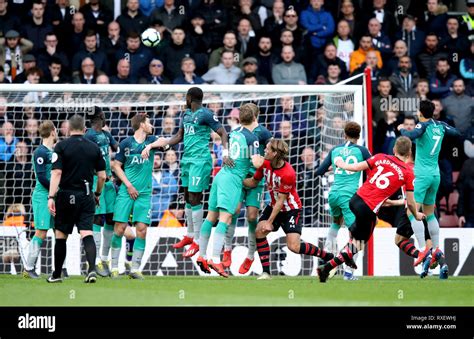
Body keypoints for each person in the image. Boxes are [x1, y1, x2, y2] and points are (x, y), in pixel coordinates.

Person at [317, 137, 425, 283]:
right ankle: (328, 268)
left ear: (394, 150)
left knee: (356, 238)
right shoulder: (407, 172)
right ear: (410, 152)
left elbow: (356, 167)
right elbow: (411, 202)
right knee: (358, 243)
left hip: (355, 200)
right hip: (368, 209)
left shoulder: (380, 157)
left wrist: (340, 163)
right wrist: (416, 214)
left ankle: (340, 261)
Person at [141, 87, 231, 259]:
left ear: (190, 97)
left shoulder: (206, 114)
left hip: (200, 160)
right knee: (187, 196)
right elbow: (179, 135)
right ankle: (190, 235)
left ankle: (197, 239)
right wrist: (165, 144)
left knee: (196, 197)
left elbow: (223, 132)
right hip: (187, 160)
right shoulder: (186, 115)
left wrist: (224, 154)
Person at [244, 139, 334, 280]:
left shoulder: (288, 173)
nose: (265, 151)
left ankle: (327, 256)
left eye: (267, 149)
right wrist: (236, 180)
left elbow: (281, 201)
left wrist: (270, 221)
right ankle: (266, 273)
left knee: (294, 246)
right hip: (274, 206)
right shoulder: (265, 164)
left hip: (290, 209)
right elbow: (253, 182)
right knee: (259, 232)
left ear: (274, 153)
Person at [196, 104, 262, 277]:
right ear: (255, 118)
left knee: (210, 217)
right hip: (232, 180)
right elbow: (256, 163)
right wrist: (268, 159)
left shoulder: (233, 133)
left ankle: (202, 255)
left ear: (239, 119)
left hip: (220, 176)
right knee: (224, 219)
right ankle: (215, 259)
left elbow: (226, 146)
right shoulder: (252, 137)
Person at [399, 100, 461, 269]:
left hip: (421, 175)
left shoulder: (423, 126)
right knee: (430, 213)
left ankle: (422, 249)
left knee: (412, 211)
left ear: (420, 112)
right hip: (435, 174)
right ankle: (436, 248)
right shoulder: (440, 125)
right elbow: (456, 133)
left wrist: (402, 129)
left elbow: (410, 136)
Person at [47, 115, 106, 283]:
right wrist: (97, 194)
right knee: (86, 232)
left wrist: (51, 196)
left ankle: (57, 275)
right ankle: (92, 270)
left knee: (61, 235)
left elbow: (56, 173)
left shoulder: (61, 146)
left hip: (66, 195)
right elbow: (102, 176)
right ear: (84, 130)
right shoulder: (94, 148)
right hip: (87, 195)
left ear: (68, 129)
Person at [314, 121, 371, 280]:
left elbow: (319, 171)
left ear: (344, 134)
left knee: (336, 223)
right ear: (359, 136)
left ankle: (326, 257)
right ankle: (348, 273)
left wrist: (333, 167)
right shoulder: (362, 151)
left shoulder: (335, 150)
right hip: (349, 196)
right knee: (358, 236)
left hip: (334, 194)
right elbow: (373, 167)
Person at [222, 103, 273, 274]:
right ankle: (227, 249)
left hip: (255, 180)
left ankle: (251, 255)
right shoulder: (236, 132)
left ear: (254, 116)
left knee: (252, 216)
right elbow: (230, 149)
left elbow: (272, 154)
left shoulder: (264, 133)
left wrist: (263, 165)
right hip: (238, 178)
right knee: (234, 210)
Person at [109, 114, 156, 280]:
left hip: (144, 194)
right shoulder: (126, 143)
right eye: (149, 122)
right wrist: (128, 185)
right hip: (126, 192)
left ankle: (135, 269)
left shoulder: (152, 140)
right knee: (120, 228)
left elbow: (167, 141)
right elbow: (116, 166)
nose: (152, 125)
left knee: (142, 230)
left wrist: (150, 147)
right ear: (142, 125)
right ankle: (114, 267)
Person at [84, 109, 119, 278]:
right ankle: (95, 260)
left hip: (109, 181)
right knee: (96, 218)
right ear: (99, 118)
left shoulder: (106, 134)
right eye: (104, 116)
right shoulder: (88, 136)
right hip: (94, 180)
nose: (106, 118)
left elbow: (117, 149)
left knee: (112, 218)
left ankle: (104, 257)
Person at [23, 121, 58, 278]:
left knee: (59, 232)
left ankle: (60, 269)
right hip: (43, 196)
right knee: (41, 231)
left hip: (55, 196)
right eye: (55, 130)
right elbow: (42, 177)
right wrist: (55, 190)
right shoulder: (40, 152)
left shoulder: (56, 151)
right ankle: (28, 267)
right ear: (52, 132)